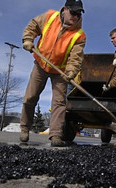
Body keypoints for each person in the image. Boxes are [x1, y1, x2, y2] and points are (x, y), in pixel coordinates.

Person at [19, 0, 86, 147]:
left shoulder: (79, 35)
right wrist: (28, 39)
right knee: (30, 97)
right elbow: (33, 26)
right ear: (65, 9)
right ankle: (24, 128)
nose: (76, 16)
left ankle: (56, 135)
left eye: (79, 14)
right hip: (40, 65)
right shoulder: (49, 17)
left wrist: (71, 72)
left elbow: (75, 58)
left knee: (59, 103)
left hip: (60, 72)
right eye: (73, 12)